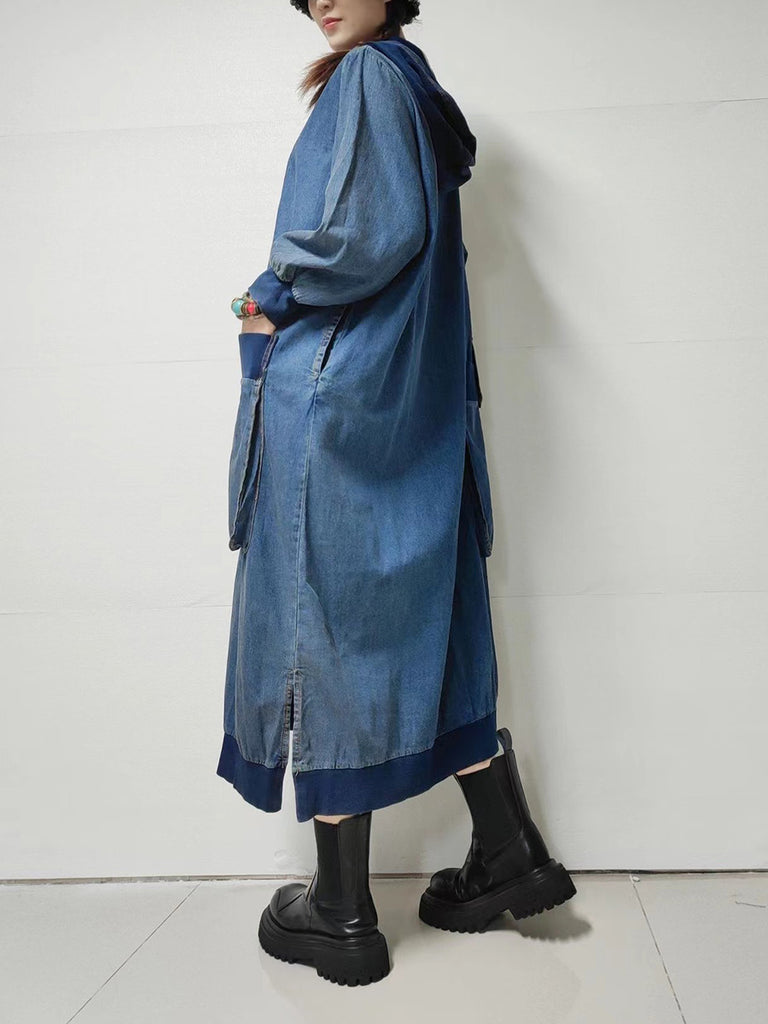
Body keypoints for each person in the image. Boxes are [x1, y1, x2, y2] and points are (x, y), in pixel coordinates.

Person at [218, 0, 576, 985]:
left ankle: (340, 912)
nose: (321, 2)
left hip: (340, 407)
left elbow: (361, 237)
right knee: (435, 619)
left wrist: (264, 299)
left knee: (324, 623)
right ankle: (507, 849)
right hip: (415, 406)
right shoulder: (416, 90)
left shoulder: (370, 77)